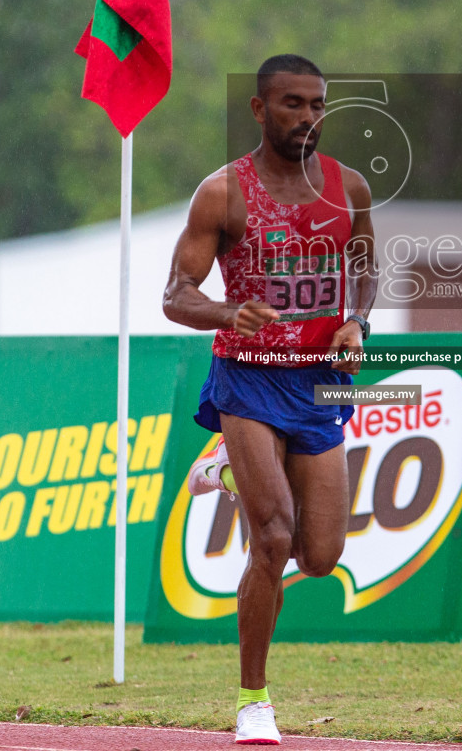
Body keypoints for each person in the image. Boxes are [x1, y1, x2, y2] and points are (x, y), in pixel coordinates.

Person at [163, 54, 377, 745]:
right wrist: (227, 314)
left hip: (317, 382)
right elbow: (175, 296)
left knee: (320, 556)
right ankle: (254, 702)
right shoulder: (223, 193)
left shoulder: (350, 188)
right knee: (273, 537)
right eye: (292, 104)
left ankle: (224, 470)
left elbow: (366, 266)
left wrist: (356, 321)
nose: (308, 117)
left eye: (317, 105)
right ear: (259, 110)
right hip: (247, 378)